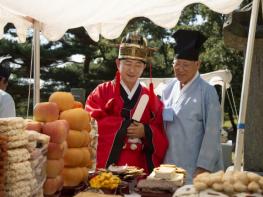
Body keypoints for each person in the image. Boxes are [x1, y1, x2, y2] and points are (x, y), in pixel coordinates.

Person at [85, 32, 168, 174]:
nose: (132, 70)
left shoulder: (151, 98)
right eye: (127, 63)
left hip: (140, 167)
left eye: (138, 65)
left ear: (144, 68)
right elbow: (91, 126)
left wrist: (146, 131)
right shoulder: (101, 92)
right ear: (118, 63)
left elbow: (162, 132)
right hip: (107, 167)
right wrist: (123, 127)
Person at [161, 29, 223, 183]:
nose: (180, 69)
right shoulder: (168, 89)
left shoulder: (207, 91)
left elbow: (213, 132)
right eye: (177, 64)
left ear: (197, 64)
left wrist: (204, 167)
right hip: (169, 164)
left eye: (185, 65)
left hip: (196, 167)